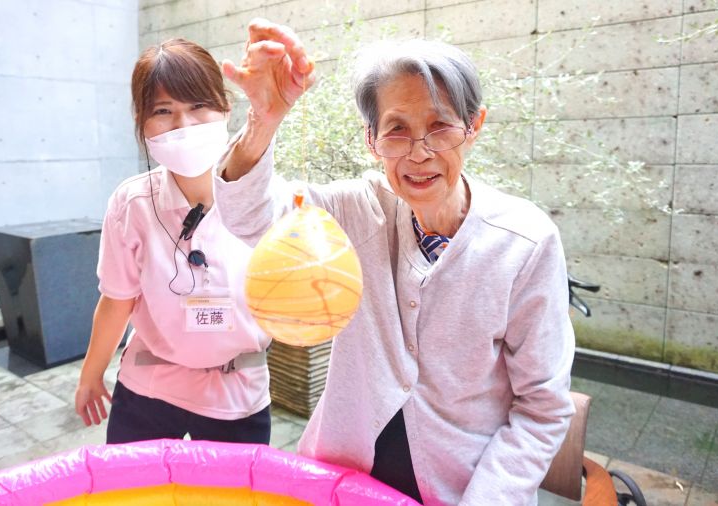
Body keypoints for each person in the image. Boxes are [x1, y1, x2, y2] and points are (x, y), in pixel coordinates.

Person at [217, 20, 574, 505]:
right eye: (397, 130)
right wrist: (264, 118)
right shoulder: (354, 209)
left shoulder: (525, 242)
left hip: (464, 489)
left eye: (440, 126)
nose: (419, 152)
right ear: (372, 141)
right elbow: (248, 215)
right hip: (337, 481)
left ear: (475, 126)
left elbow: (542, 408)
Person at [74, 38, 276, 445]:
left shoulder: (269, 201)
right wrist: (90, 374)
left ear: (226, 109)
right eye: (163, 111)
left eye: (198, 107)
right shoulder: (131, 203)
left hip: (236, 396)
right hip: (148, 388)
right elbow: (117, 300)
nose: (183, 125)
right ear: (142, 124)